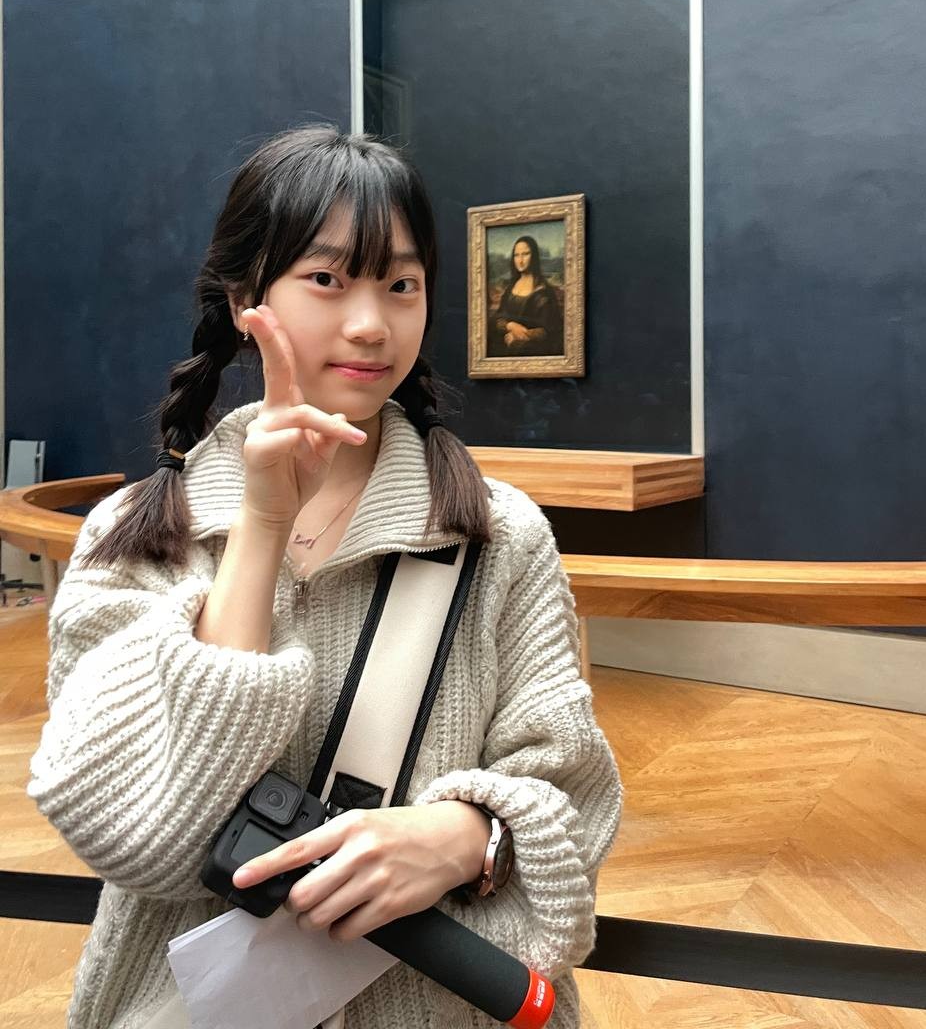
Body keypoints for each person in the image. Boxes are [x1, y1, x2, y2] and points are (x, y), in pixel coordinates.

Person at [28, 125, 623, 1029]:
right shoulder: (135, 538)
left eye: (401, 285)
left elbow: (575, 791)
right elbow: (133, 831)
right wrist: (262, 528)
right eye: (327, 279)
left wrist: (464, 835)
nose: (371, 324)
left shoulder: (498, 536)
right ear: (244, 298)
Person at [490, 235, 564, 357]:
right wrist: (510, 325)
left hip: (533, 351)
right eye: (516, 255)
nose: (520, 260)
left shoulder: (544, 292)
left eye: (525, 254)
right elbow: (498, 317)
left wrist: (522, 335)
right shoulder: (510, 287)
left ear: (534, 256)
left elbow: (551, 329)